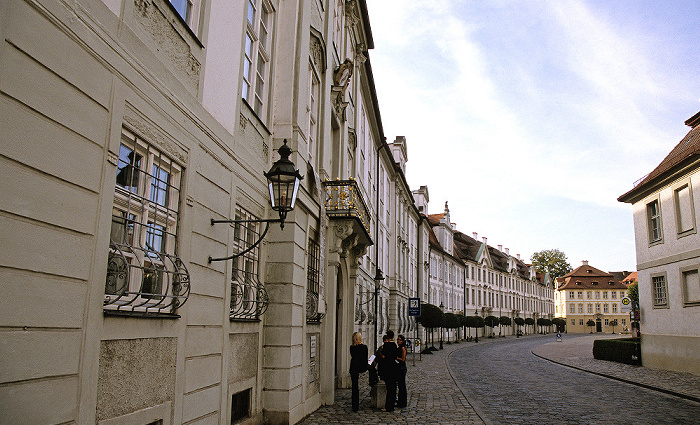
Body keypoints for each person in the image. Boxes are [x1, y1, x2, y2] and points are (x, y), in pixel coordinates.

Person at [380, 330, 399, 412]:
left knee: (388, 387)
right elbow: (395, 356)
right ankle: (392, 405)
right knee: (393, 387)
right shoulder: (394, 345)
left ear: (387, 336)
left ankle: (388, 406)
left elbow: (383, 356)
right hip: (393, 367)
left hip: (386, 368)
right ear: (393, 336)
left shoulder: (385, 345)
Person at [349, 331, 369, 411]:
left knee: (354, 386)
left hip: (354, 367)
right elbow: (364, 358)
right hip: (361, 366)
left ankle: (355, 405)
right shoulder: (364, 347)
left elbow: (354, 356)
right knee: (356, 387)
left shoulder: (352, 347)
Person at [396, 334, 408, 408]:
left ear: (403, 341)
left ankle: (402, 402)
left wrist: (396, 358)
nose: (398, 341)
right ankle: (400, 401)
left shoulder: (403, 348)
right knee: (400, 385)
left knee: (402, 385)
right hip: (399, 367)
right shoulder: (399, 348)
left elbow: (403, 359)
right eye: (398, 339)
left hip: (402, 368)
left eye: (400, 340)